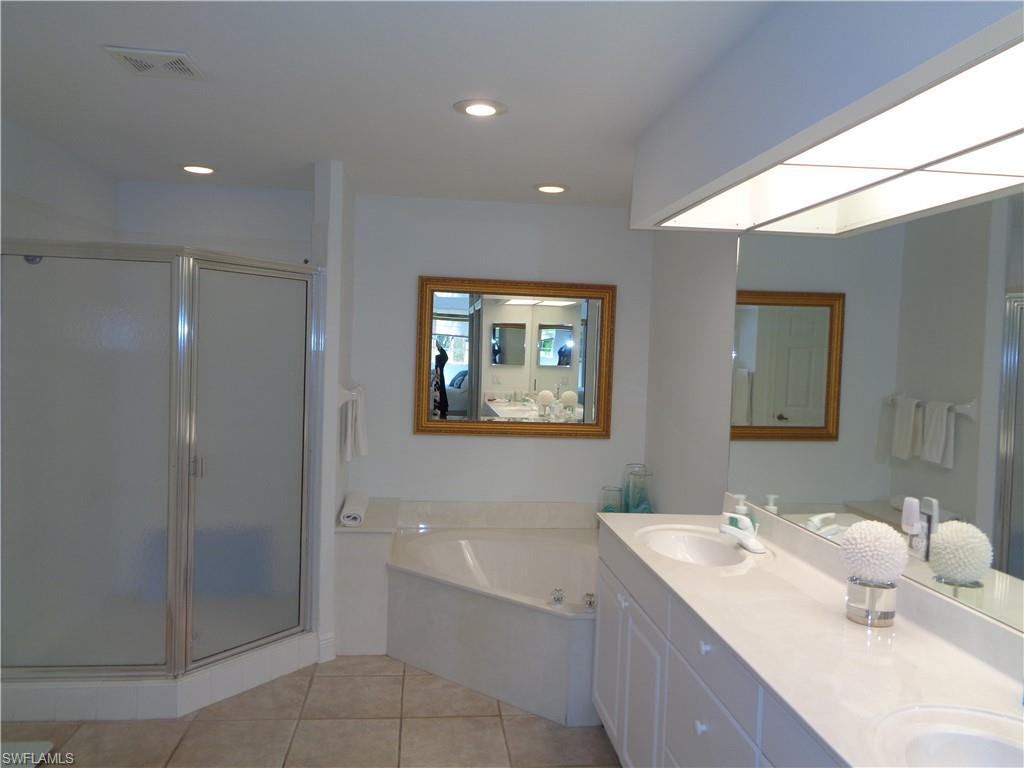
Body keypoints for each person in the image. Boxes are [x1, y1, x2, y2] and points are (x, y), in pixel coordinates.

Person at [434, 340, 449, 419]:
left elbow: (445, 357)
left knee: (441, 394)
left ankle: (442, 412)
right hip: (437, 380)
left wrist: (439, 347)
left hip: (440, 379)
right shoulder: (438, 359)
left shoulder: (440, 358)